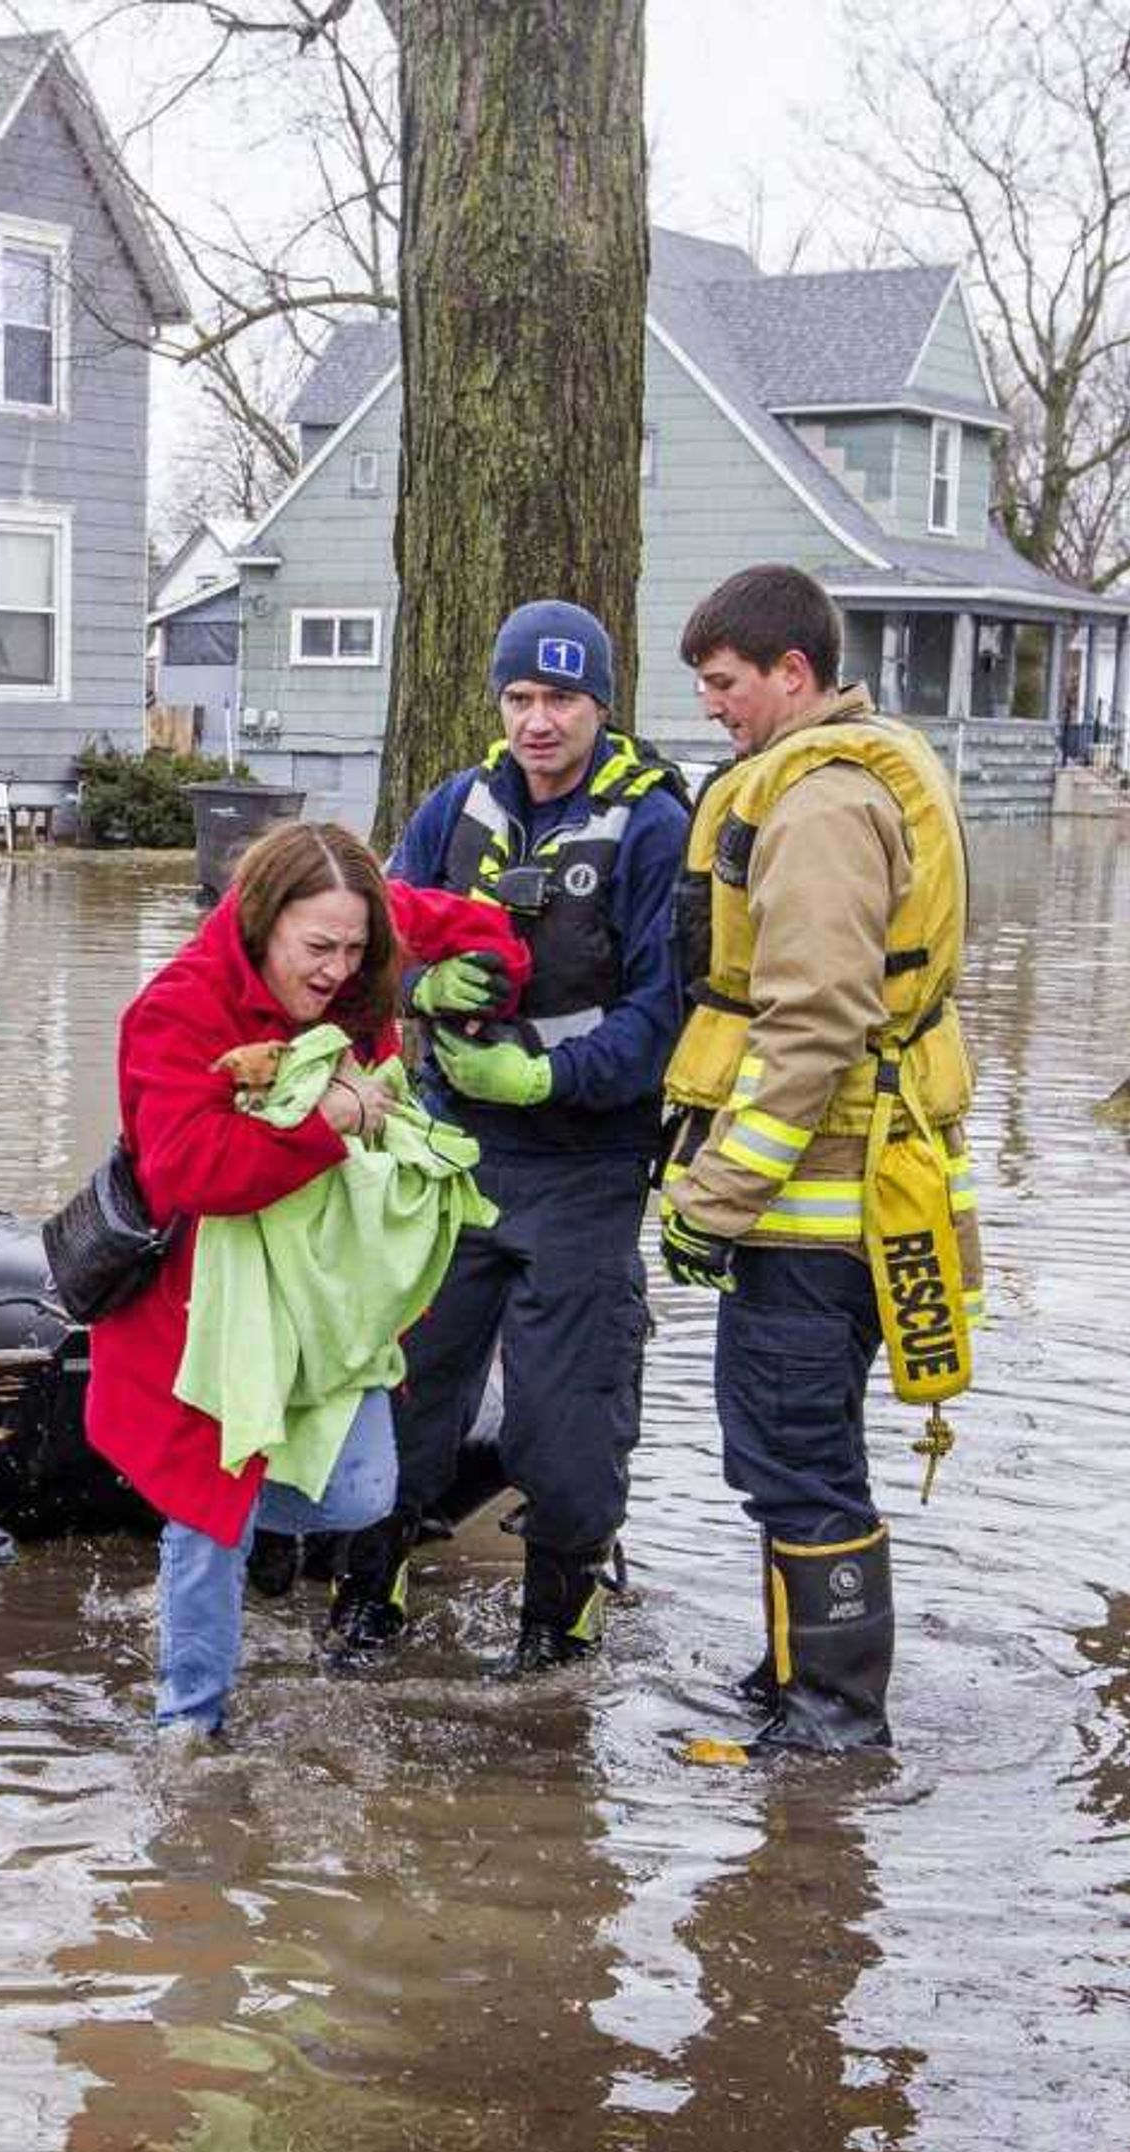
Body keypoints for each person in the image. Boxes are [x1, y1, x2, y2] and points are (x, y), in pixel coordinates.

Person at [84, 822, 528, 1736]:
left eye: (356, 950)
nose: (336, 970)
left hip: (319, 1293)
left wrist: (476, 979)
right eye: (317, 948)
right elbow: (189, 1172)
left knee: (360, 1492)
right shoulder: (177, 1007)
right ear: (260, 922)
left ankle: (219, 1525)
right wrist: (331, 1118)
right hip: (200, 1303)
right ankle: (187, 1728)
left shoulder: (360, 936)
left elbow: (477, 928)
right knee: (212, 1519)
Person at [330, 598, 694, 1673]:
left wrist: (542, 1074)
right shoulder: (456, 807)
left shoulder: (651, 823)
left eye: (564, 698)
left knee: (569, 1419)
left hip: (584, 1166)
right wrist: (421, 985)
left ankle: (559, 1617)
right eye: (521, 696)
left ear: (602, 705)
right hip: (452, 1155)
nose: (539, 720)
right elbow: (377, 942)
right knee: (404, 1379)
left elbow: (661, 1016)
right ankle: (369, 1585)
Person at [658, 563, 982, 1756]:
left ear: (794, 673)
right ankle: (792, 1674)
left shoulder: (822, 806)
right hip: (837, 1203)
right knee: (790, 1450)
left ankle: (832, 1728)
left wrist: (715, 1199)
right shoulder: (843, 777)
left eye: (727, 683)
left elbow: (813, 1021)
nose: (715, 709)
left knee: (797, 1457)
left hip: (812, 1215)